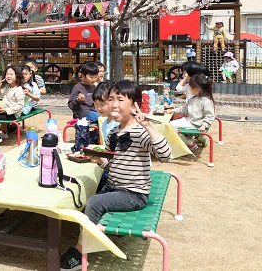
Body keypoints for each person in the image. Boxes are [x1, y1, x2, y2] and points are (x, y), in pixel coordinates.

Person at [60, 80, 172, 270]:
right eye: (111, 99)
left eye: (120, 99)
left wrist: (149, 127)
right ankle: (92, 238)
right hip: (114, 187)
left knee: (94, 203)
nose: (113, 104)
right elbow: (114, 165)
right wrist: (100, 160)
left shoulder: (140, 132)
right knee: (85, 195)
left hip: (134, 193)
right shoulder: (114, 131)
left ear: (135, 104)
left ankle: (80, 252)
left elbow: (166, 156)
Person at [167, 74, 215, 150]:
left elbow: (209, 116)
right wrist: (173, 110)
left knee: (170, 126)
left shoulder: (206, 101)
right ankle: (200, 138)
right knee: (173, 123)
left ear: (197, 88)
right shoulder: (193, 98)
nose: (189, 88)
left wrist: (204, 125)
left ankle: (190, 143)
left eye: (190, 86)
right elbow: (184, 109)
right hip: (190, 121)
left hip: (196, 124)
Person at [0, 65, 25, 141]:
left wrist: (7, 110)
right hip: (6, 111)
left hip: (14, 113)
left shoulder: (18, 89)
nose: (8, 76)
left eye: (11, 74)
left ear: (17, 76)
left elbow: (20, 105)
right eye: (7, 74)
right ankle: (4, 132)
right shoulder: (7, 87)